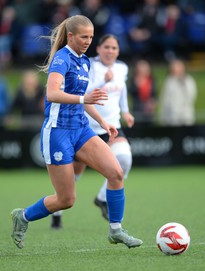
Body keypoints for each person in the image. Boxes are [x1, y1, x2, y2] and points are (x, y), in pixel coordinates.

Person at [10, 15, 143, 249]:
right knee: (66, 200)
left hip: (80, 129)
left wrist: (102, 122)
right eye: (84, 37)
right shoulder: (62, 59)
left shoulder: (85, 61)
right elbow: (51, 94)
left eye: (91, 37)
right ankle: (24, 216)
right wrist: (84, 98)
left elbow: (86, 100)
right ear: (70, 36)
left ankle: (116, 230)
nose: (88, 41)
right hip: (58, 133)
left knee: (115, 173)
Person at [50, 34, 135, 229]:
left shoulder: (122, 68)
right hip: (86, 129)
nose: (110, 51)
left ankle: (102, 198)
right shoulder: (89, 65)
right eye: (106, 47)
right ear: (98, 49)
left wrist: (127, 112)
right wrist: (102, 82)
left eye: (114, 48)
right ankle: (57, 213)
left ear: (118, 51)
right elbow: (81, 93)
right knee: (72, 177)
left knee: (124, 160)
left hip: (111, 125)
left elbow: (121, 90)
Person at [159, 59, 197, 126]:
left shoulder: (188, 80)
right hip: (171, 115)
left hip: (185, 114)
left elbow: (191, 96)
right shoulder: (169, 81)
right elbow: (165, 99)